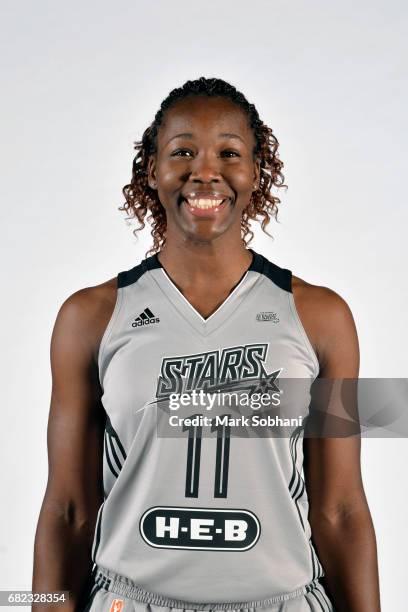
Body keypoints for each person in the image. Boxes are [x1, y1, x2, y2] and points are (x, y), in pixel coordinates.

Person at [32, 77, 381, 612]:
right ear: (153, 170)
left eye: (228, 152)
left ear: (255, 171)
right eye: (183, 152)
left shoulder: (321, 317)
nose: (205, 171)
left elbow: (340, 509)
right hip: (132, 600)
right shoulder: (90, 317)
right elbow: (68, 510)